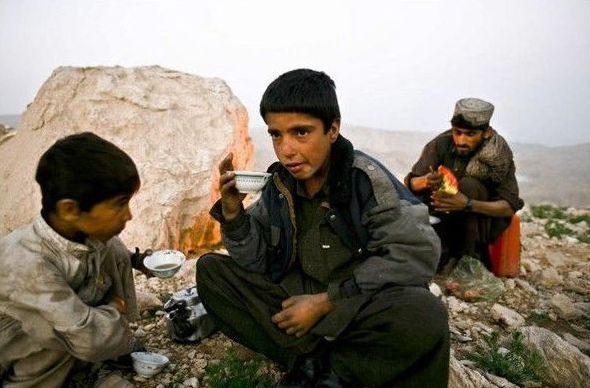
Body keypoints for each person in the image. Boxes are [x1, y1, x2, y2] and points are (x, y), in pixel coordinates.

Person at [197, 69, 449, 387]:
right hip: (300, 307)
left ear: (332, 130)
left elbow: (418, 253)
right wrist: (233, 214)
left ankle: (331, 371)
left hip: (356, 307)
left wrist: (326, 302)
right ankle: (317, 364)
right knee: (212, 272)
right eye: (276, 134)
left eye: (301, 133)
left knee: (424, 312)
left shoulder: (364, 179)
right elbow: (256, 261)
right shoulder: (279, 186)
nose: (286, 149)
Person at [0, 132, 151, 387]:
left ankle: (100, 359)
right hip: (24, 363)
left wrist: (138, 260)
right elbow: (88, 338)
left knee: (113, 251)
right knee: (53, 334)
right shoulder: (27, 263)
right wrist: (114, 311)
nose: (129, 215)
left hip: (76, 331)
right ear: (70, 209)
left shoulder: (86, 237)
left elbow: (111, 255)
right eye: (120, 204)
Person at [404, 98, 524, 271]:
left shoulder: (498, 154)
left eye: (470, 134)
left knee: (469, 185)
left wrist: (467, 204)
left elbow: (508, 207)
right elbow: (409, 185)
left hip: (479, 223)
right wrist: (426, 180)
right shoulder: (441, 143)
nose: (461, 140)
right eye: (457, 132)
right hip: (440, 217)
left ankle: (470, 259)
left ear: (486, 132)